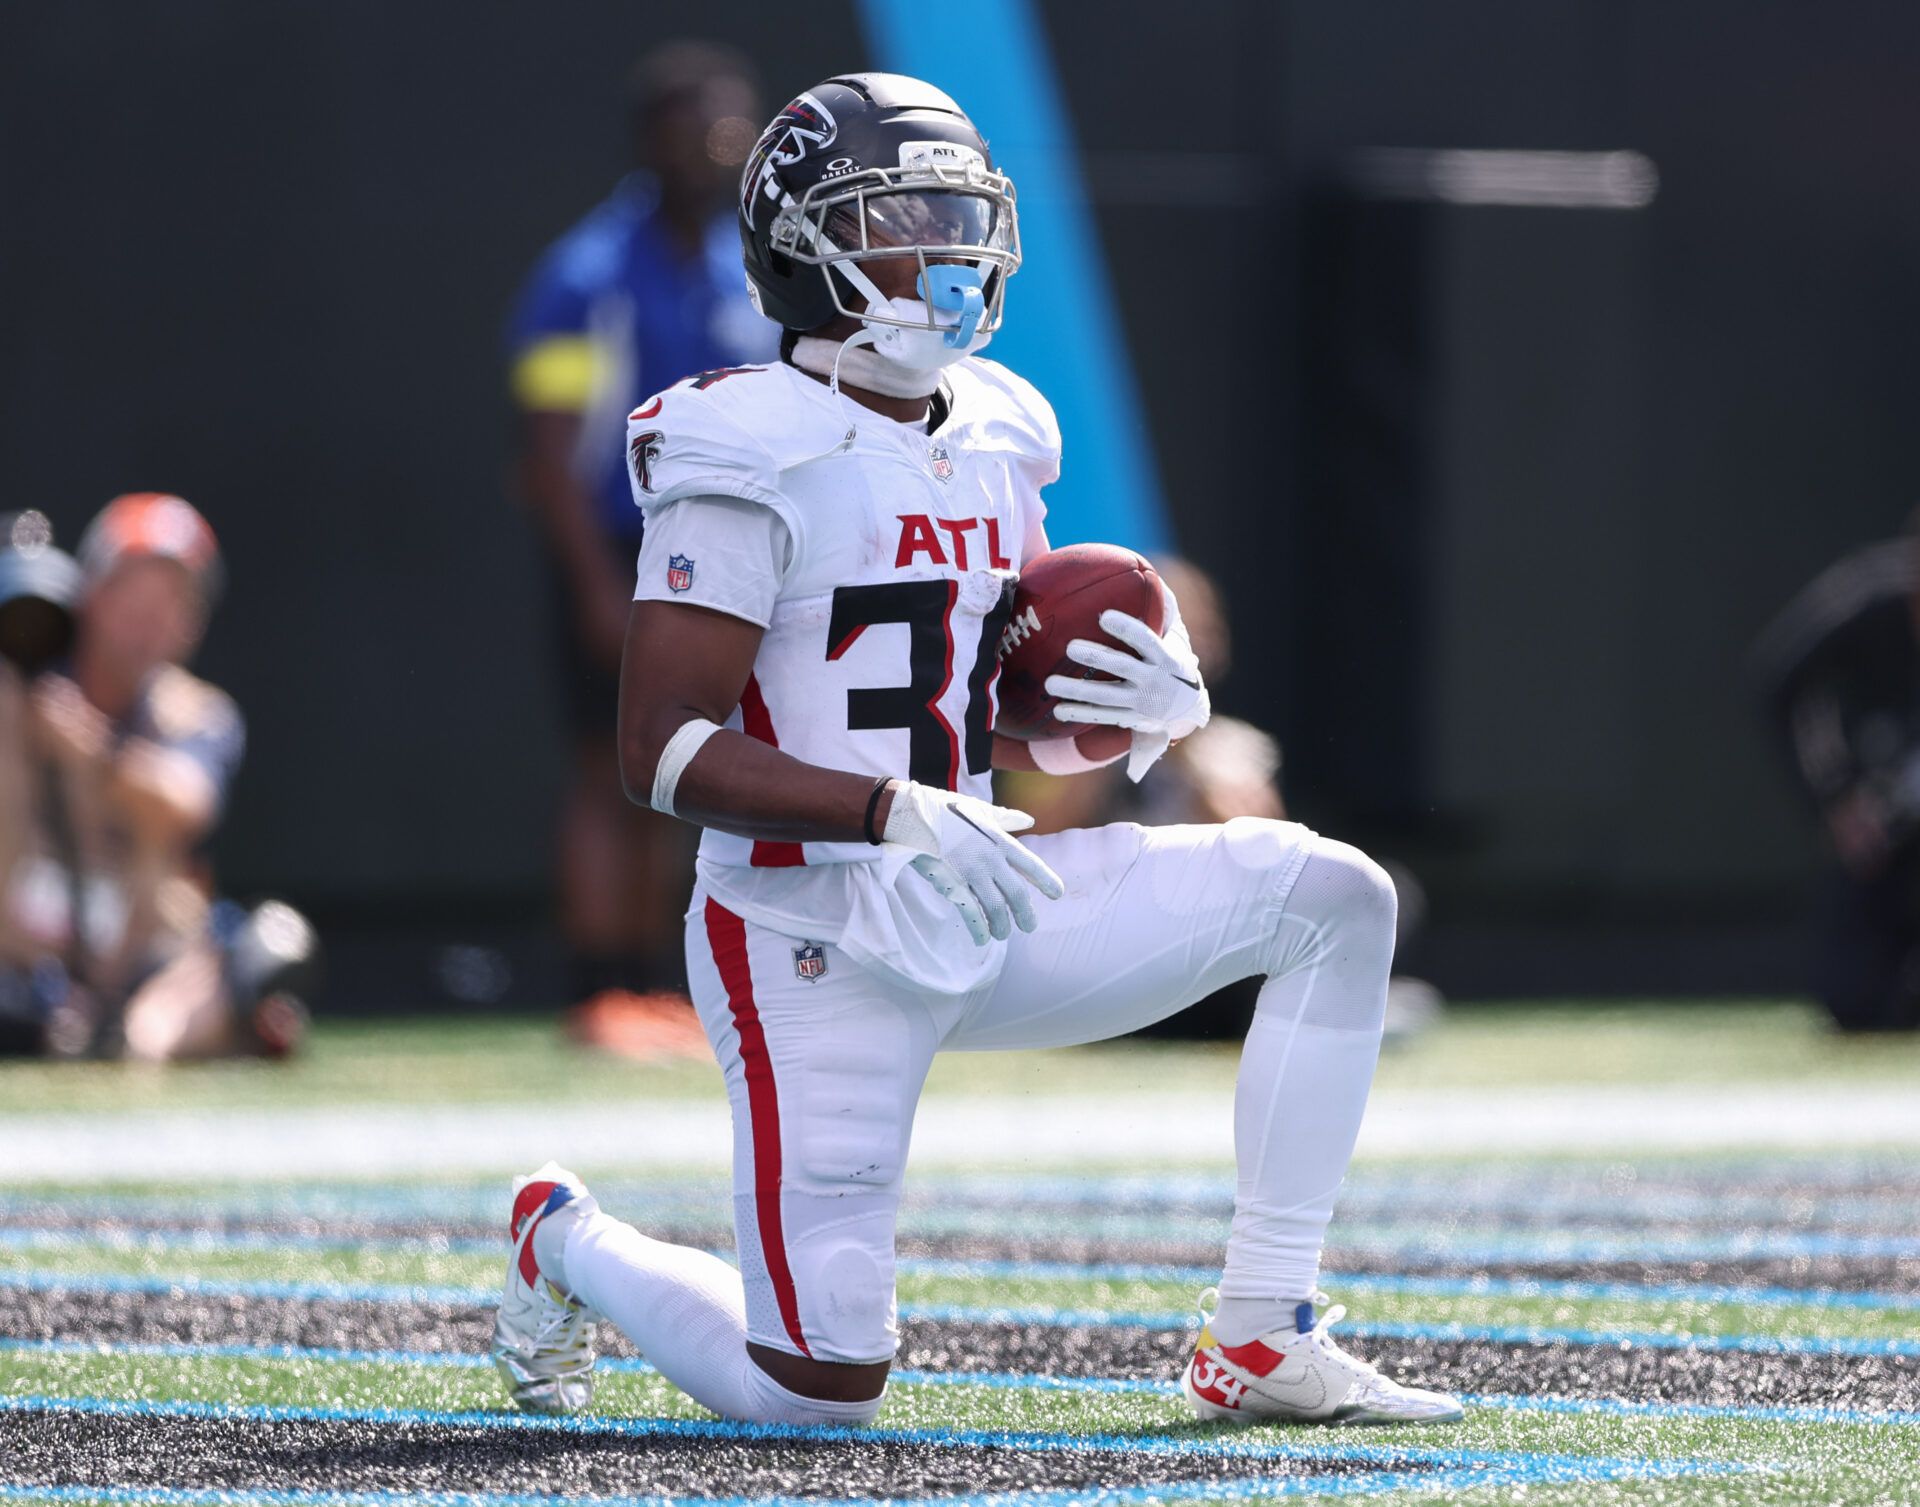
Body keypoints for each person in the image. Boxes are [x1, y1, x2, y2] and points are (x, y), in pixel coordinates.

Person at [491, 74, 1462, 1430]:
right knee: (815, 1393)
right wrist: (889, 807)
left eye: (962, 211)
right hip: (801, 930)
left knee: (1336, 897)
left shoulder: (1004, 423)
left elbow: (949, 700)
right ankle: (567, 1236)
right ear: (805, 245)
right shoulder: (739, 438)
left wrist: (1121, 707)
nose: (949, 246)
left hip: (978, 889)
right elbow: (660, 746)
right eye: (907, 214)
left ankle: (1262, 1329)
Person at [509, 42, 777, 1035]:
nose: (722, 147)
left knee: (681, 765)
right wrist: (590, 584)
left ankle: (655, 986)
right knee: (601, 764)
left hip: (719, 553)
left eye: (735, 129)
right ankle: (597, 983)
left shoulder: (745, 267)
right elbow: (545, 453)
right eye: (701, 127)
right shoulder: (585, 276)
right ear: (652, 139)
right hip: (618, 549)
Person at [0, 495, 316, 1060]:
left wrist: (92, 751)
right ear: (92, 596)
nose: (149, 620)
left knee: (268, 946)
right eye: (134, 594)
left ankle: (149, 1031)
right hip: (19, 953)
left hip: (136, 960)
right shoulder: (19, 685)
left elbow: (186, 806)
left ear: (192, 623)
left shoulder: (198, 713)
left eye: (172, 601)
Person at [1755, 516, 1920, 1031]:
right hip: (1889, 830)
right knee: (1853, 1002)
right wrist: (1836, 795)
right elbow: (1780, 678)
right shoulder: (1865, 601)